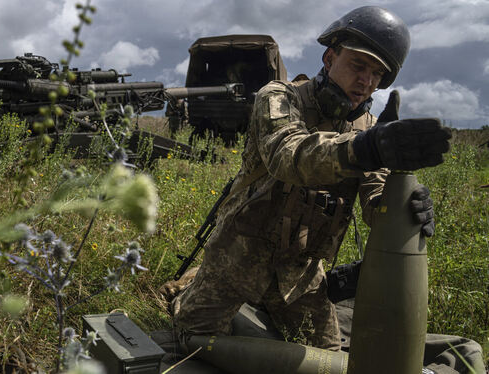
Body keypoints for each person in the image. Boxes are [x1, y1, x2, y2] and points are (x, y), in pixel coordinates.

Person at [164, 6, 484, 372]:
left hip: (300, 273)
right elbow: (289, 156)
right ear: (329, 58)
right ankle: (190, 288)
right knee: (191, 341)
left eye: (377, 74)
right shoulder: (280, 98)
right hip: (237, 256)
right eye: (358, 65)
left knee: (331, 360)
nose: (366, 80)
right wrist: (364, 149)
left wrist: (404, 206)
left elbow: (375, 198)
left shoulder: (367, 126)